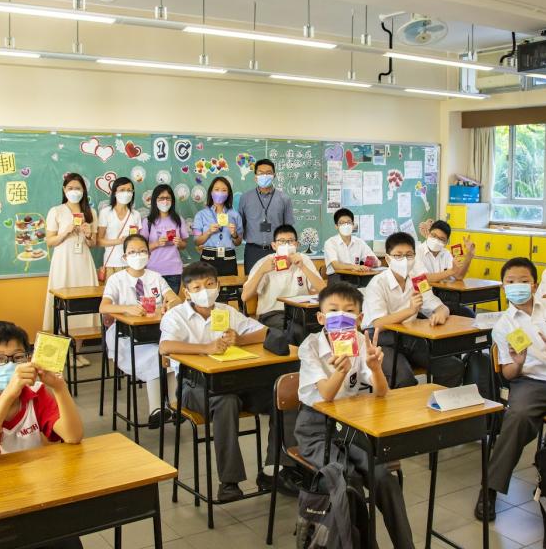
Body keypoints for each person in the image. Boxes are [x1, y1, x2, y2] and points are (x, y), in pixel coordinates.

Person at [295, 282, 413, 548]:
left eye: (349, 311)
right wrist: (341, 370)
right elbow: (326, 395)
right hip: (315, 429)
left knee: (384, 478)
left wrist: (376, 367)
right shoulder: (310, 346)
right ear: (321, 317)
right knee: (348, 481)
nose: (341, 316)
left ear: (359, 318)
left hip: (351, 426)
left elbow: (382, 392)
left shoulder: (360, 341)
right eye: (333, 310)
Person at [0, 321, 84, 549]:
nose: (11, 365)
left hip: (34, 497)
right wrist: (9, 395)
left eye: (18, 357)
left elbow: (73, 436)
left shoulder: (36, 394)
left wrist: (60, 388)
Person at [476, 257, 546, 522]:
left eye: (523, 281)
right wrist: (518, 362)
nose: (517, 286)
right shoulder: (504, 325)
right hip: (531, 382)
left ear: (534, 284)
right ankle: (489, 488)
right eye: (511, 282)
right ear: (503, 287)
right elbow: (508, 374)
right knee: (517, 419)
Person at [159, 262, 276, 503]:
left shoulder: (226, 311)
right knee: (226, 401)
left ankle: (275, 469)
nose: (205, 291)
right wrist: (206, 348)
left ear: (218, 286)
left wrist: (240, 339)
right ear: (187, 292)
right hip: (193, 386)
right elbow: (165, 346)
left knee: (281, 396)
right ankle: (229, 483)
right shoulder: (176, 315)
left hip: (234, 381)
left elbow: (264, 332)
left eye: (210, 284)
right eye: (197, 287)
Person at [362, 232, 463, 389]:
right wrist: (410, 311)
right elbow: (378, 324)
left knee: (452, 367)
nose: (404, 260)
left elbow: (440, 306)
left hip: (410, 338)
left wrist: (440, 314)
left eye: (409, 255)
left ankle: (437, 401)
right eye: (398, 256)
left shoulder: (418, 280)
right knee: (404, 378)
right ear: (388, 259)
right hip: (381, 340)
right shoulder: (377, 283)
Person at [99, 234, 181, 428]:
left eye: (143, 251)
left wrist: (169, 304)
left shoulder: (155, 277)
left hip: (154, 332)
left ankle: (176, 406)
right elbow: (104, 307)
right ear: (124, 257)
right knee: (156, 355)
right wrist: (126, 308)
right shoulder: (116, 279)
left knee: (171, 354)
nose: (138, 255)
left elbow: (175, 298)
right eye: (133, 252)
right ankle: (157, 410)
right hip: (124, 335)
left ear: (149, 255)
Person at [242, 224, 326, 353]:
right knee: (295, 331)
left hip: (300, 312)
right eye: (281, 241)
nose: (286, 245)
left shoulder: (304, 260)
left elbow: (324, 291)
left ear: (296, 244)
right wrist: (262, 271)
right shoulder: (265, 262)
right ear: (274, 245)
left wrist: (303, 267)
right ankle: (299, 362)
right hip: (273, 313)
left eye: (290, 241)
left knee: (323, 327)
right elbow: (245, 296)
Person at [42, 173, 98, 348]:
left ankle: (77, 351)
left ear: (84, 190)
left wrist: (88, 234)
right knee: (61, 304)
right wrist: (65, 231)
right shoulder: (56, 211)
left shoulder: (91, 212)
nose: (74, 191)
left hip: (83, 262)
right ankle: (63, 353)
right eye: (71, 188)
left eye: (78, 188)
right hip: (63, 262)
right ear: (64, 190)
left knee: (84, 304)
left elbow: (93, 244)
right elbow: (50, 242)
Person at [238, 159, 295, 273]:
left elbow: (289, 228)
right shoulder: (245, 198)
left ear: (274, 175)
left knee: (279, 280)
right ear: (255, 176)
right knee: (253, 281)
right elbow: (241, 225)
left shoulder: (284, 199)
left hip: (278, 250)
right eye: (260, 173)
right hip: (253, 251)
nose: (264, 176)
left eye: (268, 173)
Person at [416, 219, 476, 317]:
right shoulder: (417, 252)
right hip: (423, 301)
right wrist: (450, 271)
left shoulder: (446, 253)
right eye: (433, 235)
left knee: (469, 315)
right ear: (428, 233)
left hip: (444, 300)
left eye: (441, 239)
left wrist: (469, 256)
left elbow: (459, 276)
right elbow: (424, 278)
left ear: (446, 242)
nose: (436, 240)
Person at [141, 184, 189, 294]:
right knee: (155, 303)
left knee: (171, 302)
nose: (165, 201)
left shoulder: (178, 220)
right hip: (153, 270)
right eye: (161, 198)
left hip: (174, 271)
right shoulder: (147, 222)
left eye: (168, 198)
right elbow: (142, 248)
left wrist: (179, 243)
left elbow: (184, 245)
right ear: (155, 200)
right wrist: (156, 243)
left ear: (172, 200)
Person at [194, 176, 244, 276]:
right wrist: (208, 232)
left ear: (228, 194)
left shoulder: (235, 215)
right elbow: (196, 241)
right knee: (208, 285)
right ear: (211, 192)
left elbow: (238, 242)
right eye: (216, 189)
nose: (220, 193)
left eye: (224, 190)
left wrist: (234, 234)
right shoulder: (201, 215)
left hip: (228, 258)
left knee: (230, 286)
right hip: (208, 258)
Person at [97, 176, 142, 278]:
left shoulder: (136, 215)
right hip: (111, 263)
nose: (126, 193)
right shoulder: (105, 213)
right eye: (122, 190)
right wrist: (119, 241)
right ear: (114, 192)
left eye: (129, 190)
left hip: (132, 263)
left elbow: (138, 241)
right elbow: (98, 241)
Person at [322, 208, 375, 282]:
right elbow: (336, 265)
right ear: (336, 226)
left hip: (356, 276)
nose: (346, 225)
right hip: (337, 277)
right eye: (342, 223)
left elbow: (375, 260)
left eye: (349, 222)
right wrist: (355, 267)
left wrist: (371, 264)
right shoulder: (330, 242)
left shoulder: (359, 242)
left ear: (353, 225)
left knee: (371, 283)